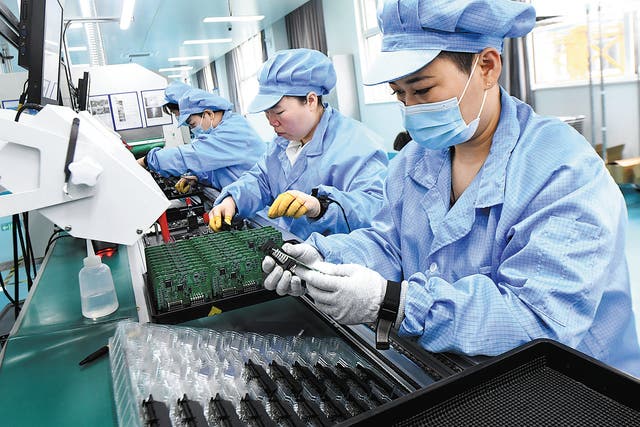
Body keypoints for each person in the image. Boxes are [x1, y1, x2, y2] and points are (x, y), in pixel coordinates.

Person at [262, 0, 640, 378]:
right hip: (452, 371)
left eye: (423, 90)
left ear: (487, 66)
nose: (410, 109)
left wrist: (397, 304)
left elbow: (539, 317)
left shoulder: (562, 169)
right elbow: (390, 245)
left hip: (561, 388)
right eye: (399, 94)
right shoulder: (414, 160)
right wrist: (324, 255)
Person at [209, 48, 388, 239]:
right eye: (266, 113)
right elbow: (261, 180)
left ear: (310, 100)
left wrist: (321, 207)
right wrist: (233, 200)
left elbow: (375, 209)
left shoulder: (358, 145)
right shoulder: (283, 143)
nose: (272, 121)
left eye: (278, 112)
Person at [138, 88, 266, 191]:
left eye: (192, 124)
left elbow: (192, 155)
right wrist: (198, 177)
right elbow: (220, 169)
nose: (193, 129)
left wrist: (148, 160)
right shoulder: (221, 128)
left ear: (208, 114)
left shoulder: (233, 130)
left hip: (261, 210)